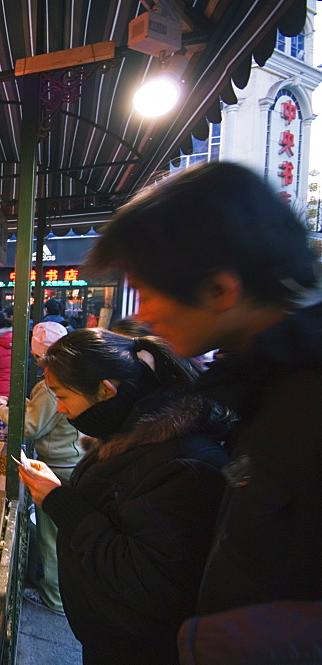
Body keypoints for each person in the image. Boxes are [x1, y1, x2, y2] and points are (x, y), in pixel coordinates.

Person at [86, 161, 322, 661]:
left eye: (149, 293)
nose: (141, 313)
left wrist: (266, 639)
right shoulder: (264, 384)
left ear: (221, 290)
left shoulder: (305, 399)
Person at [18, 328, 231, 664]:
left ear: (106, 391)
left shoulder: (184, 468)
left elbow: (144, 584)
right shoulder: (125, 433)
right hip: (106, 636)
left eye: (63, 396)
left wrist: (61, 503)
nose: (60, 409)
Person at [0, 321, 82, 615]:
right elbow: (40, 413)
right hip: (68, 457)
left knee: (52, 536)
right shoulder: (71, 373)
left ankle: (54, 598)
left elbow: (31, 425)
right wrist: (17, 403)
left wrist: (0, 408)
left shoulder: (56, 382)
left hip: (60, 464)